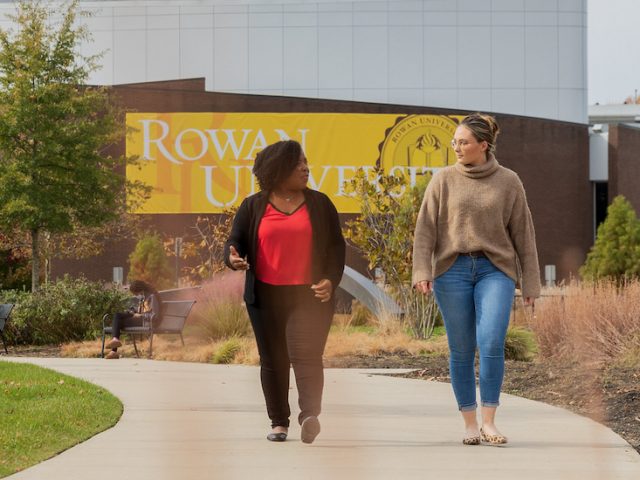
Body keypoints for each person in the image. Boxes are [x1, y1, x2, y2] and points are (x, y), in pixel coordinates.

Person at [412, 113, 541, 446]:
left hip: (494, 269)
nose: (456, 147)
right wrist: (422, 270)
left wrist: (530, 283)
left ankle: (489, 421)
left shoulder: (509, 181)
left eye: (463, 142)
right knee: (461, 349)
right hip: (451, 270)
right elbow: (425, 229)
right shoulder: (442, 180)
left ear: (483, 145)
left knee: (492, 341)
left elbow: (524, 234)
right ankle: (469, 424)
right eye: (454, 141)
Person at [224, 139, 346, 444]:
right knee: (273, 359)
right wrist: (232, 257)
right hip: (266, 296)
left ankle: (310, 416)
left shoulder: (320, 204)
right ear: (278, 170)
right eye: (298, 164)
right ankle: (279, 422)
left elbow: (336, 248)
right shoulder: (253, 205)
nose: (306, 168)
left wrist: (331, 279)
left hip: (310, 295)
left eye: (306, 162)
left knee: (306, 355)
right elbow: (233, 242)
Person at [104, 280, 161, 359]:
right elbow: (141, 310)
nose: (136, 295)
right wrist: (132, 312)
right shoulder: (143, 297)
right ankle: (115, 340)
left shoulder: (152, 297)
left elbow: (155, 316)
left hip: (146, 321)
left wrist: (140, 316)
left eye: (135, 293)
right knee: (118, 315)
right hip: (140, 318)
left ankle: (114, 351)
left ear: (140, 290)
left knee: (119, 322)